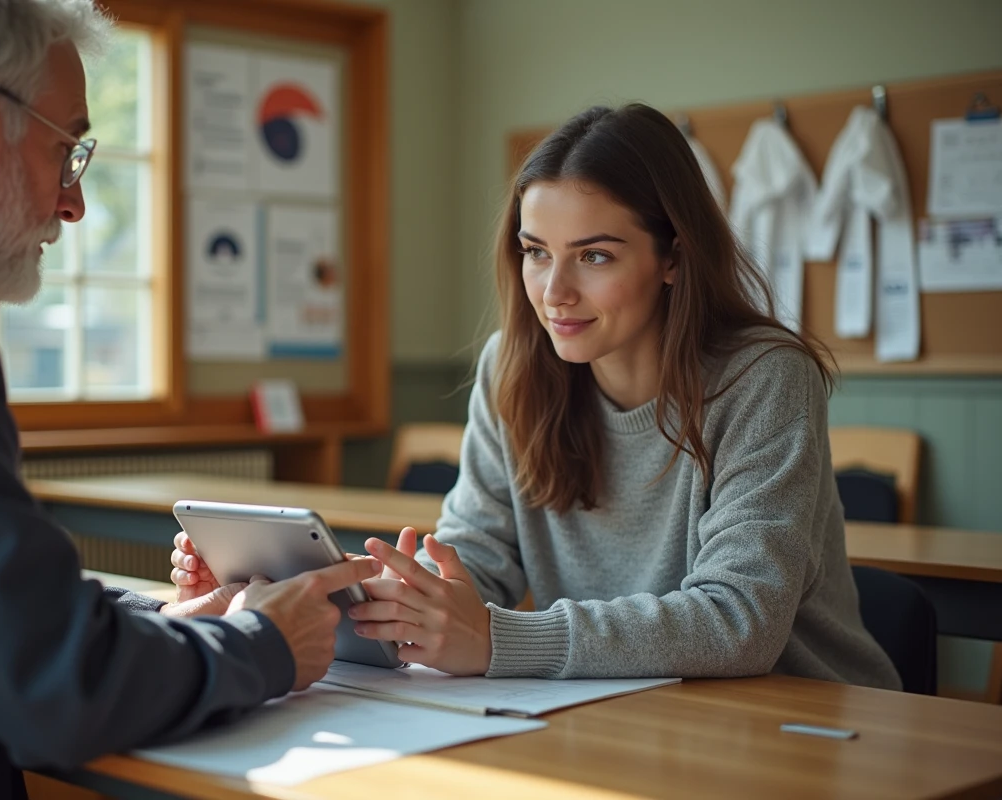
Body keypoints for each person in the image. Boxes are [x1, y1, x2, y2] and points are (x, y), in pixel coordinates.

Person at [0, 2, 380, 798]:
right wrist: (267, 643)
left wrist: (142, 621)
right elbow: (58, 684)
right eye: (64, 151)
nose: (73, 203)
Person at [176, 104, 903, 690]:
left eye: (594, 255)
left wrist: (497, 639)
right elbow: (472, 558)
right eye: (535, 252)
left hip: (803, 721)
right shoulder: (513, 367)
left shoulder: (765, 377)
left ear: (674, 257)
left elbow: (740, 622)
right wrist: (334, 595)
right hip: (630, 711)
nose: (554, 292)